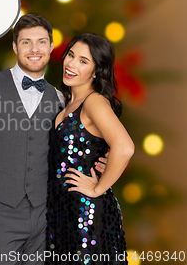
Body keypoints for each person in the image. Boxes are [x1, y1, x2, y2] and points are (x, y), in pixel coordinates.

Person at [0, 14, 107, 265]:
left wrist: (101, 163)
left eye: (41, 42)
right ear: (15, 47)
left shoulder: (60, 99)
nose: (34, 49)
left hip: (44, 214)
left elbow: (74, 148)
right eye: (26, 42)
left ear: (50, 47)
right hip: (0, 212)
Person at [46, 33, 134, 264]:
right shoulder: (67, 102)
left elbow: (125, 147)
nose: (71, 64)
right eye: (71, 55)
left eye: (83, 61)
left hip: (86, 212)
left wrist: (97, 189)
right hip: (62, 211)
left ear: (96, 71)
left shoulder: (94, 101)